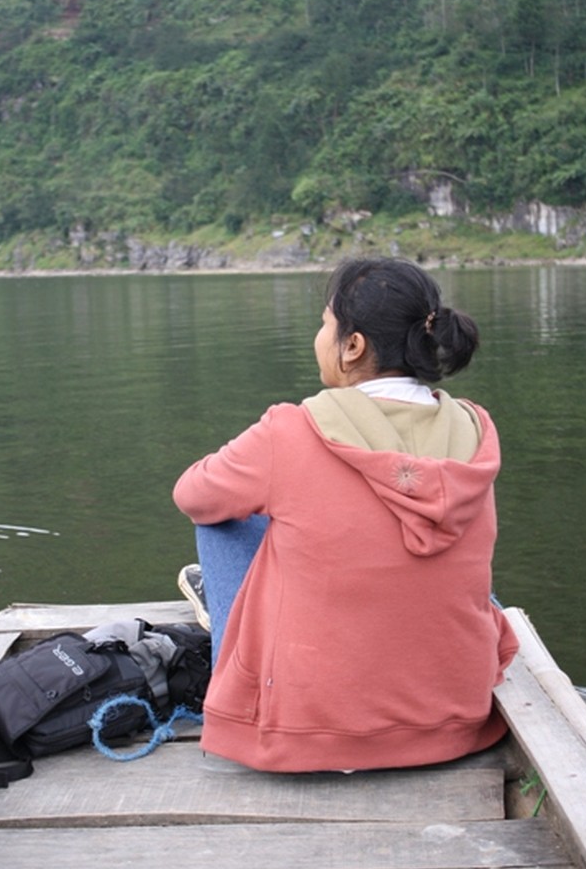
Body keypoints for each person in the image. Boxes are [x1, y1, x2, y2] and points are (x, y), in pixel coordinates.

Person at [173, 256, 518, 773]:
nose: (320, 336)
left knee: (225, 517)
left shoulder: (290, 431)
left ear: (352, 346)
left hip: (307, 736)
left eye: (325, 324)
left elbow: (191, 494)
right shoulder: (474, 431)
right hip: (454, 728)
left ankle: (234, 655)